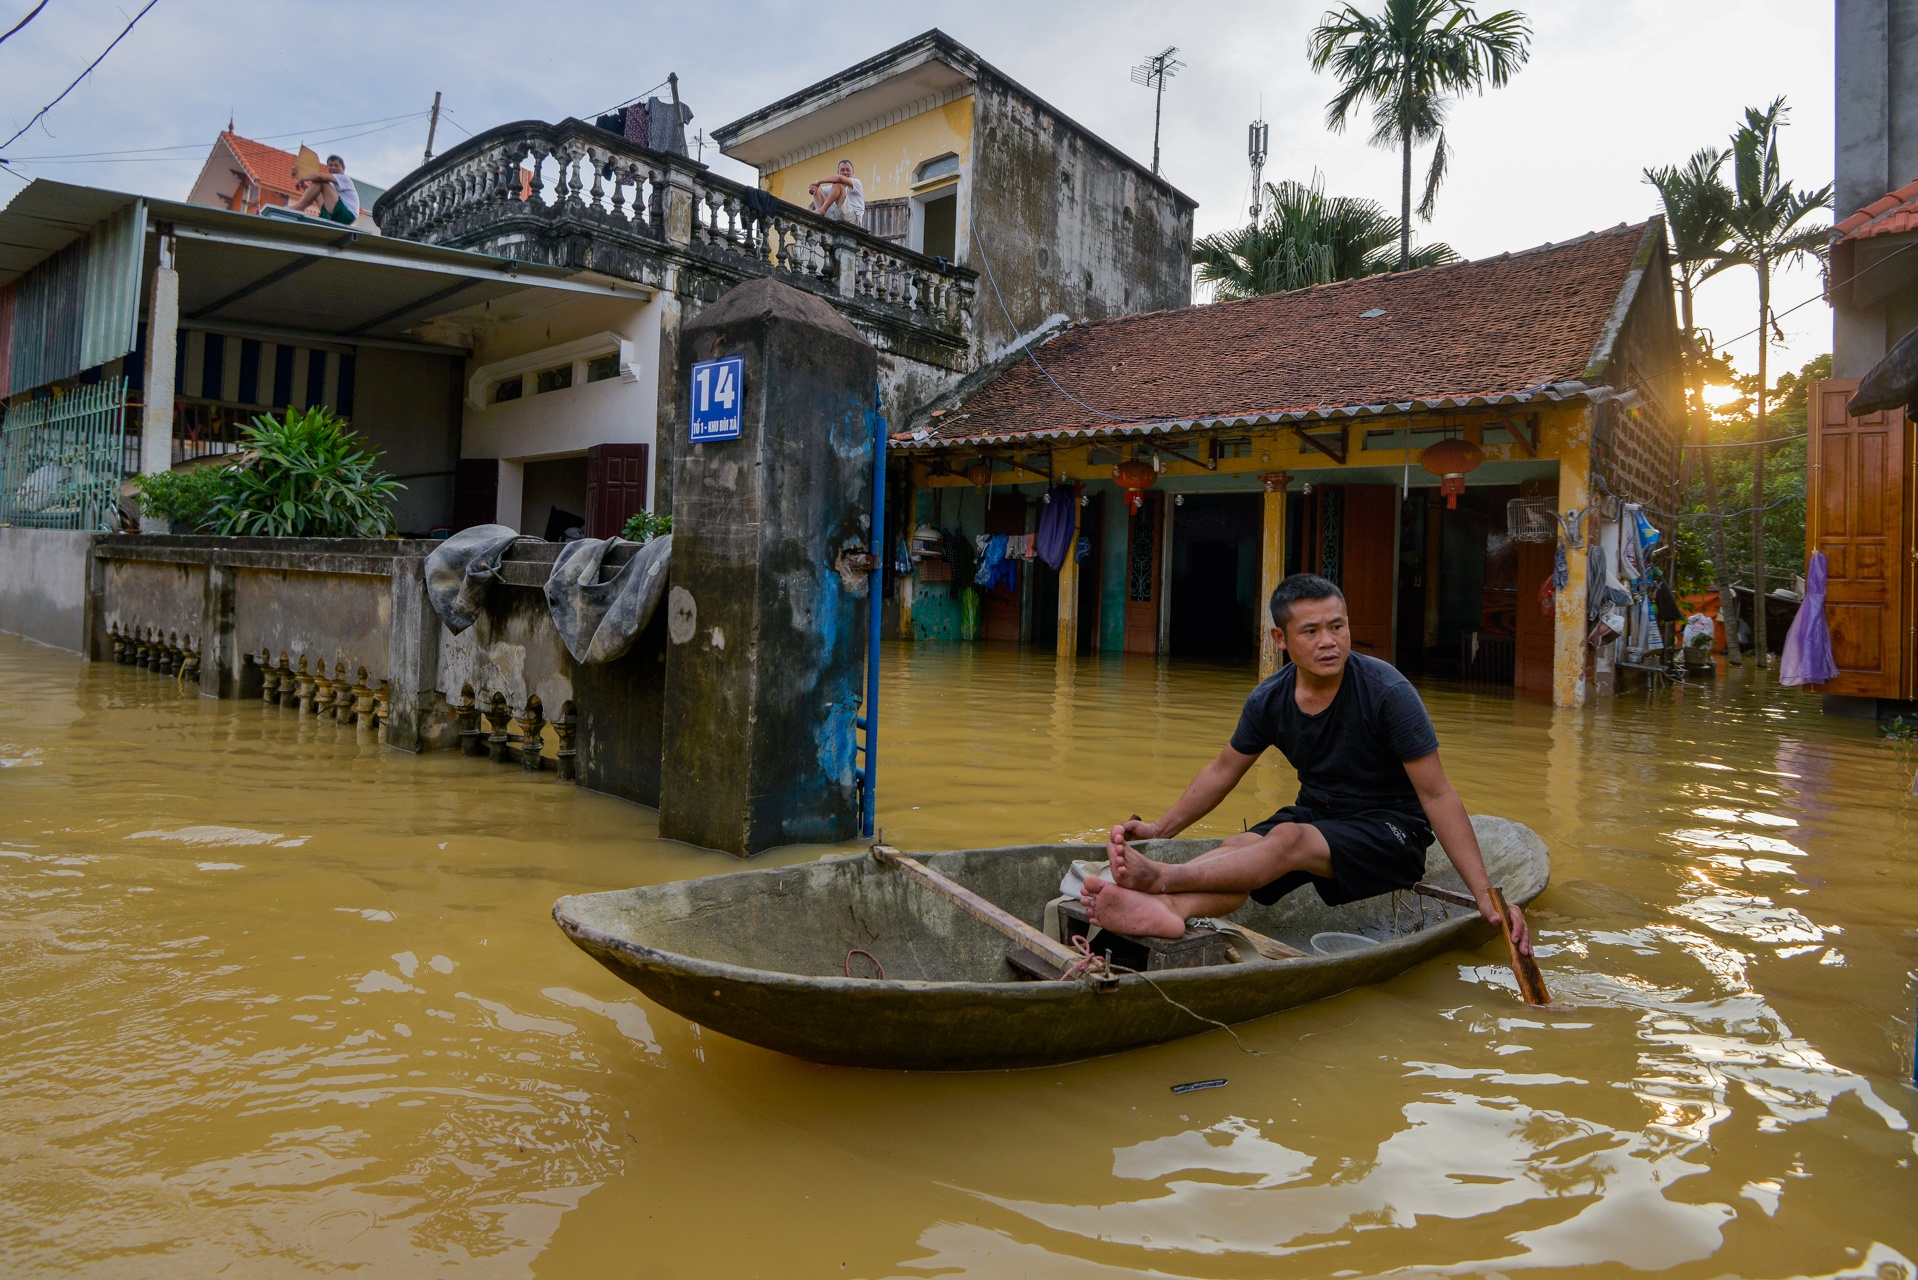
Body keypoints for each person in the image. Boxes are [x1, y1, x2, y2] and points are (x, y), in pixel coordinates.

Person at [1083, 572, 1531, 954]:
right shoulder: (1270, 699)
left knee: (1286, 839)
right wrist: (1160, 830)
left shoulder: (1387, 692)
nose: (1329, 642)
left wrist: (1486, 895)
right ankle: (1170, 909)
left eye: (1337, 627)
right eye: (1311, 631)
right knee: (1239, 850)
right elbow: (1222, 771)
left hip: (1394, 831)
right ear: (1280, 639)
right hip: (1321, 816)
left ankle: (1162, 880)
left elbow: (1437, 794)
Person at [291, 154, 361, 226]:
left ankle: (299, 207)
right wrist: (300, 179)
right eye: (330, 165)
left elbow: (319, 177)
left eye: (336, 165)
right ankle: (301, 206)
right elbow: (311, 192)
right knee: (317, 188)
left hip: (347, 214)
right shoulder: (330, 186)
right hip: (332, 214)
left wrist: (303, 177)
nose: (333, 167)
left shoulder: (344, 178)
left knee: (321, 181)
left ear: (343, 169)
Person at [809, 159, 864, 224]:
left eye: (848, 170)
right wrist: (813, 188)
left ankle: (821, 211)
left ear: (853, 173)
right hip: (837, 216)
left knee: (838, 185)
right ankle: (819, 214)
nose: (845, 172)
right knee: (818, 188)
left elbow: (840, 178)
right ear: (838, 172)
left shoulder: (856, 182)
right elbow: (817, 190)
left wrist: (819, 182)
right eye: (842, 170)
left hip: (853, 219)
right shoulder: (834, 188)